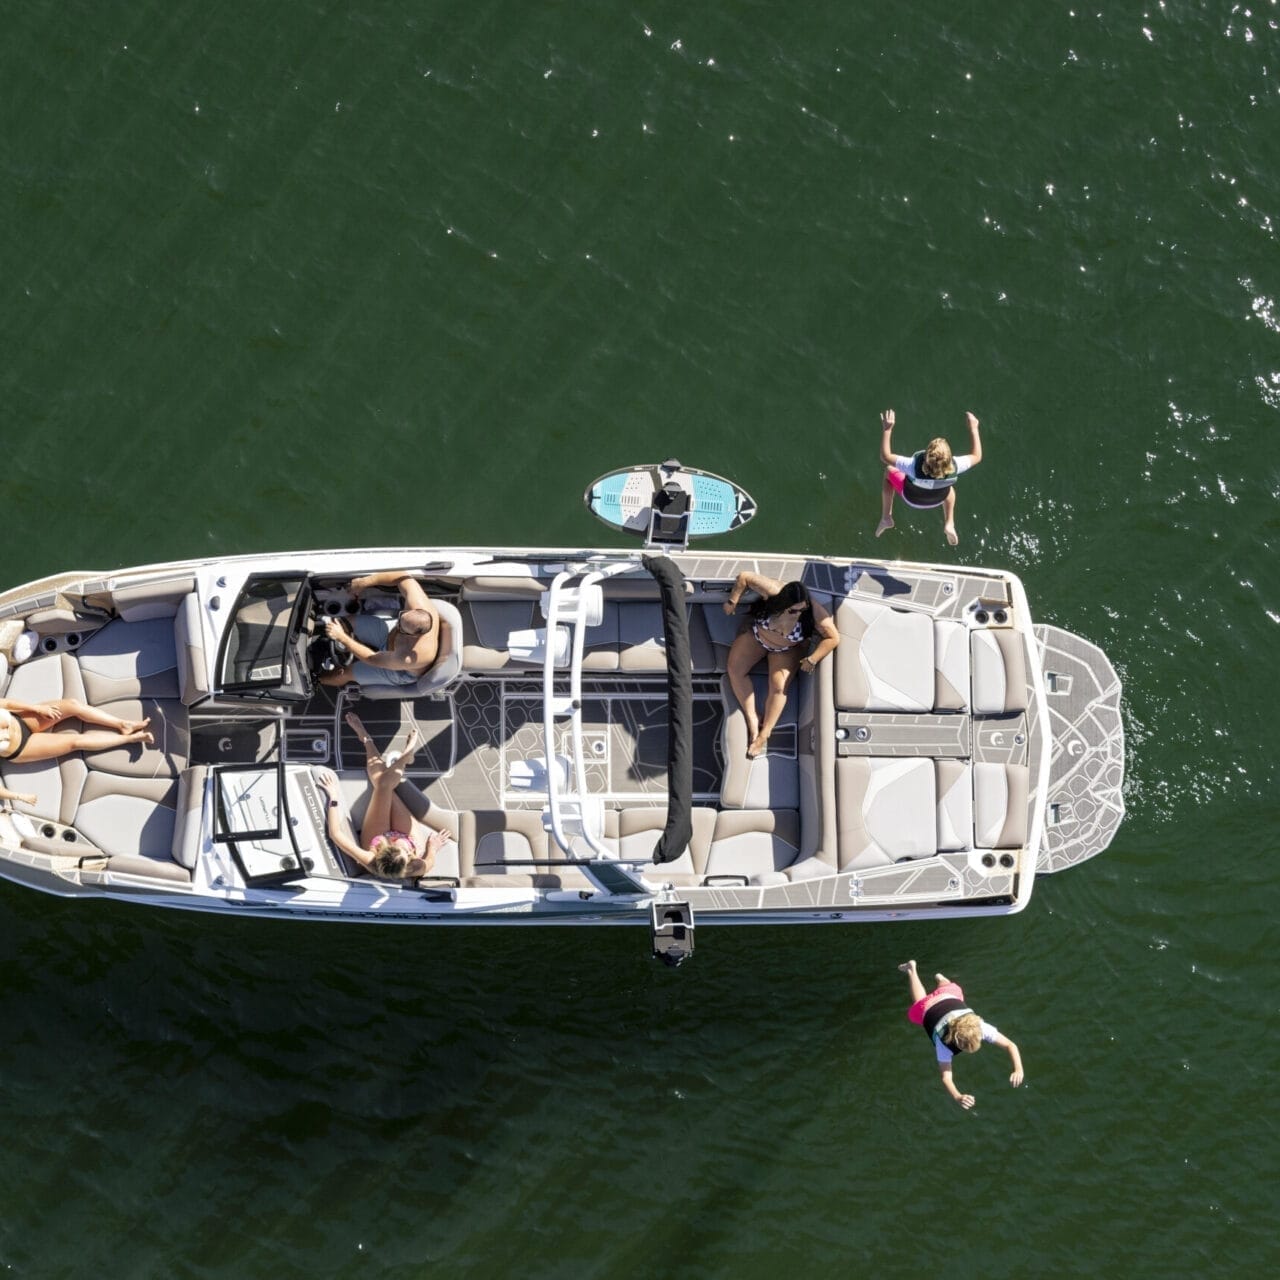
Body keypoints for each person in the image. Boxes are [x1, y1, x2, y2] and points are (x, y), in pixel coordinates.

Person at [314, 712, 453, 881]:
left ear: (382, 853)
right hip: (410, 838)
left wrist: (333, 796)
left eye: (402, 850)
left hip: (377, 837)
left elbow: (335, 834)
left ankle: (377, 744)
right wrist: (432, 847)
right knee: (384, 785)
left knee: (382, 786)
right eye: (406, 853)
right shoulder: (414, 867)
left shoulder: (370, 859)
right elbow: (429, 862)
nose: (407, 851)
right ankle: (403, 755)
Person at [722, 573, 840, 759]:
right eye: (793, 610)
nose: (799, 613)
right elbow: (744, 577)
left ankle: (764, 733)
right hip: (758, 637)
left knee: (778, 686)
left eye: (803, 609)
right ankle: (752, 717)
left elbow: (833, 637)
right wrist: (732, 601)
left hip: (786, 648)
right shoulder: (773, 591)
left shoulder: (811, 611)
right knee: (734, 670)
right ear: (782, 603)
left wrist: (813, 659)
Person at [899, 959, 1024, 1109]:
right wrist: (957, 1096)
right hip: (932, 1005)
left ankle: (925, 973)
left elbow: (1011, 1045)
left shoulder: (980, 1027)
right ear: (955, 1041)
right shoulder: (944, 1044)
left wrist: (1019, 1069)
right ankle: (913, 971)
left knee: (948, 992)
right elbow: (946, 1078)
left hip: (948, 999)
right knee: (921, 1000)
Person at [319, 572, 453, 689]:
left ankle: (315, 680)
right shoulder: (419, 605)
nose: (397, 624)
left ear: (414, 636)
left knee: (344, 673)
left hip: (397, 669)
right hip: (389, 636)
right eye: (400, 618)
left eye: (402, 627)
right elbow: (403, 576)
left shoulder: (411, 657)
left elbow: (373, 659)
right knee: (346, 621)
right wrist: (364, 582)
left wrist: (342, 637)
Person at [876, 409, 983, 546]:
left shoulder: (912, 466)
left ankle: (886, 517)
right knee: (950, 491)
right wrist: (974, 428)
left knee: (888, 472)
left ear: (926, 456)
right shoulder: (956, 466)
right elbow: (977, 456)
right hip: (937, 499)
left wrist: (887, 429)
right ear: (949, 458)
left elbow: (885, 456)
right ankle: (949, 523)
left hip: (912, 499)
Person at [0, 697, 153, 765]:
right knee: (75, 741)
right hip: (21, 746)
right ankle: (130, 739)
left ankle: (123, 724)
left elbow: (5, 703)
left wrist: (37, 708)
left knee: (73, 705)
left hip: (19, 720)